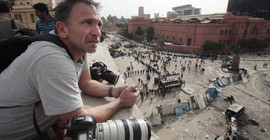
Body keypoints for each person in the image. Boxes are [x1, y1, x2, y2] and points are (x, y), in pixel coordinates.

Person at [0, 0, 139, 139]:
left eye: (99, 24)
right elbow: (78, 119)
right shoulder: (52, 58)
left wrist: (114, 91)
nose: (97, 32)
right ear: (62, 29)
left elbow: (85, 83)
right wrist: (120, 102)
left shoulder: (78, 47)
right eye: (87, 22)